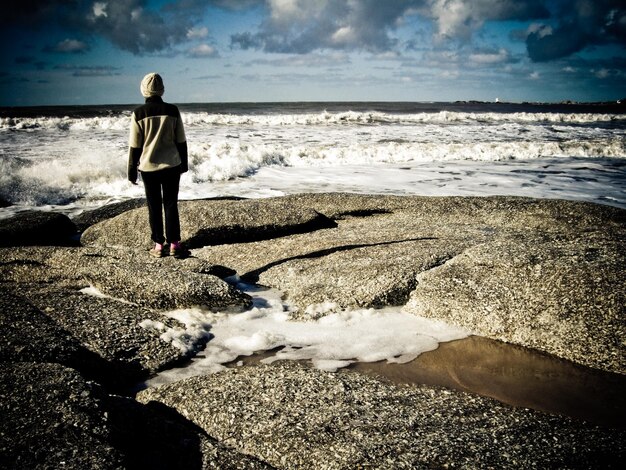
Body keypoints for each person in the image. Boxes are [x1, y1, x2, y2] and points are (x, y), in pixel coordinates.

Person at [128, 72, 190, 258]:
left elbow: (135, 145)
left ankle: (158, 245)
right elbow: (181, 140)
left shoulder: (138, 113)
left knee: (154, 205)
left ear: (144, 90)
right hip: (172, 165)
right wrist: (184, 163)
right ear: (162, 89)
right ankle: (174, 244)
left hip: (148, 167)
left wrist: (131, 170)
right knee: (171, 204)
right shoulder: (172, 110)